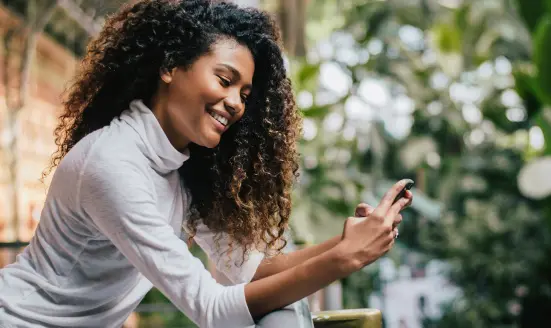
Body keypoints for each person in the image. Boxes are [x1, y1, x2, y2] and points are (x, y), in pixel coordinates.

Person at [0, 1, 412, 327]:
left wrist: (343, 243)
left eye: (245, 94)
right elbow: (211, 308)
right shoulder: (113, 163)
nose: (235, 103)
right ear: (169, 67)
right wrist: (343, 261)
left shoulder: (180, 163)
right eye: (224, 79)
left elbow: (246, 272)